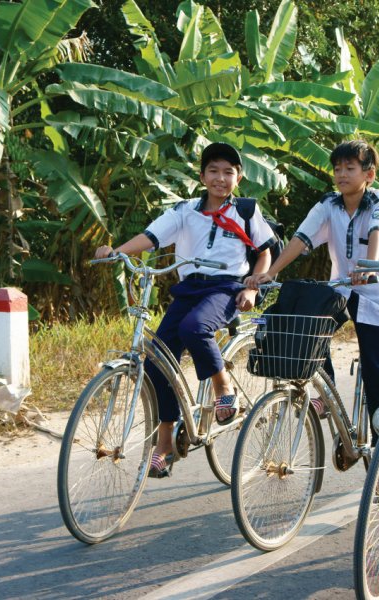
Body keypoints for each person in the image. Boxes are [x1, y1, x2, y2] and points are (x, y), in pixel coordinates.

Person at [94, 142, 277, 478]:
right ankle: (165, 442)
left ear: (238, 177)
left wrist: (253, 286)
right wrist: (117, 251)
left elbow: (264, 252)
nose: (220, 178)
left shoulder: (247, 211)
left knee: (194, 328)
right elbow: (151, 237)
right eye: (213, 171)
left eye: (228, 172)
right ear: (202, 175)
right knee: (156, 362)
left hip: (226, 288)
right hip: (188, 289)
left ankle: (224, 388)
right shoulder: (185, 211)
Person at [246, 140, 379, 430]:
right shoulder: (328, 204)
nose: (342, 175)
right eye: (337, 169)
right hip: (343, 288)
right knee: (306, 328)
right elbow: (301, 238)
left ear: (368, 175)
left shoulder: (378, 201)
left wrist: (369, 266)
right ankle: (328, 395)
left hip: (378, 295)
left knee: (375, 371)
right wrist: (271, 272)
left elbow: (377, 231)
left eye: (350, 168)